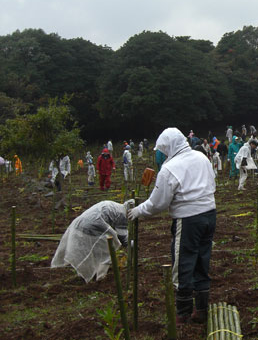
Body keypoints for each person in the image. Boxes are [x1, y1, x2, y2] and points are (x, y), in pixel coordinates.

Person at [128, 127, 216, 325]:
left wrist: (139, 210)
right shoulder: (201, 157)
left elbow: (158, 203)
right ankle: (201, 309)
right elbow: (212, 183)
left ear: (169, 147)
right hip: (210, 214)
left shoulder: (170, 168)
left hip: (188, 219)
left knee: (183, 262)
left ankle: (183, 313)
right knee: (202, 260)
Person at [51, 199, 134, 283]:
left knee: (91, 251)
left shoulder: (114, 205)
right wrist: (132, 245)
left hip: (81, 224)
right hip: (92, 226)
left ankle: (84, 275)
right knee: (107, 252)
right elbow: (122, 236)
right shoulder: (122, 214)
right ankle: (101, 278)